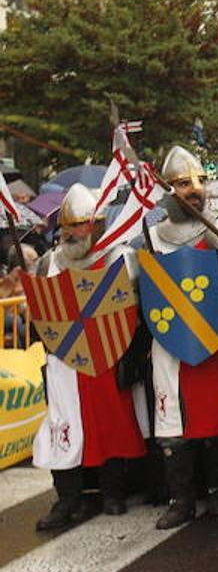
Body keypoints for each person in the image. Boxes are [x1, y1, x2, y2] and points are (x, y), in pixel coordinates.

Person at [32, 185, 146, 529]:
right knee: (62, 428)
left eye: (79, 224)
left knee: (107, 424)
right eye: (66, 225)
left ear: (96, 225)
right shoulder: (48, 262)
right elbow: (39, 309)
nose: (70, 232)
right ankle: (67, 498)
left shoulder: (118, 256)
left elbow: (132, 311)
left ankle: (112, 493)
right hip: (63, 360)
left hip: (104, 355)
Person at [146, 147, 218, 530]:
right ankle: (181, 499)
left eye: (199, 181)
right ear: (168, 189)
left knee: (217, 414)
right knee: (171, 419)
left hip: (214, 337)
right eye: (184, 183)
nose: (194, 189)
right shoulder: (150, 237)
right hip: (170, 341)